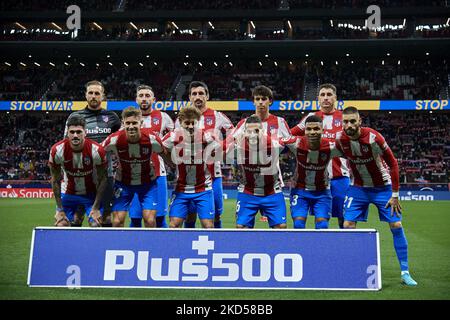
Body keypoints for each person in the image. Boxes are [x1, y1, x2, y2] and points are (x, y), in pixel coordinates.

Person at [336, 106, 418, 286]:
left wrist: (395, 194)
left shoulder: (374, 137)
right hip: (358, 188)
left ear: (359, 121)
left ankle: (405, 272)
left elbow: (393, 164)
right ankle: (352, 268)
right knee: (348, 224)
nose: (348, 125)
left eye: (352, 121)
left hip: (383, 188)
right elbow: (333, 156)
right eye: (345, 122)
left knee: (396, 224)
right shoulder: (340, 139)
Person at [291, 83, 350, 228]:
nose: (326, 98)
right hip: (312, 180)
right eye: (322, 95)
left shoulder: (344, 118)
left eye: (329, 95)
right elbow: (290, 135)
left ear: (335, 98)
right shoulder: (311, 118)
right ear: (318, 98)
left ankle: (342, 248)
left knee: (344, 219)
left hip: (339, 177)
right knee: (309, 220)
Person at [177, 81, 234, 228]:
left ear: (207, 96)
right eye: (194, 94)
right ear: (189, 97)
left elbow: (233, 132)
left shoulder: (217, 116)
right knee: (189, 215)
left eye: (201, 93)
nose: (198, 97)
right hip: (189, 178)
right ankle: (188, 247)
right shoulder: (181, 119)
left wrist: (223, 148)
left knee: (215, 215)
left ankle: (217, 245)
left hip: (213, 175)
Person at [64, 80, 121, 227]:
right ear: (86, 95)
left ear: (103, 96)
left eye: (97, 93)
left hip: (106, 176)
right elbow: (66, 144)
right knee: (76, 219)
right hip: (81, 177)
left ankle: (105, 249)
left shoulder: (113, 117)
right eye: (90, 93)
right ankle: (78, 249)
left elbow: (120, 143)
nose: (93, 96)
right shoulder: (75, 117)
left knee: (106, 219)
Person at [232, 85, 291, 223]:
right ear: (253, 102)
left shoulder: (280, 122)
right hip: (248, 180)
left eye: (263, 99)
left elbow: (289, 145)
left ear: (270, 101)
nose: (260, 102)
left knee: (279, 226)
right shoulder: (244, 123)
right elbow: (232, 145)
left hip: (272, 181)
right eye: (257, 99)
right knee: (243, 227)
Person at [101, 107, 164, 228]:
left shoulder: (152, 139)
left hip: (148, 184)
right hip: (123, 184)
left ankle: (149, 246)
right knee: (117, 221)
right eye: (127, 123)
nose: (131, 126)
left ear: (141, 123)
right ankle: (120, 246)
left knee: (150, 221)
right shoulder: (114, 140)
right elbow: (98, 153)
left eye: (134, 123)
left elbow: (165, 154)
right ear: (123, 123)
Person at [281, 115, 343, 229]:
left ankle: (318, 247)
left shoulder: (331, 147)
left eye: (316, 129)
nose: (312, 132)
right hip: (300, 190)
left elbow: (351, 153)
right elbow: (274, 142)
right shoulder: (296, 143)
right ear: (304, 130)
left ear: (322, 130)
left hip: (322, 191)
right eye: (309, 129)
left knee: (322, 225)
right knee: (298, 224)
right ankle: (300, 247)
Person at [163, 105, 218, 229]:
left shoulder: (207, 137)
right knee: (173, 225)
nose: (190, 126)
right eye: (187, 123)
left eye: (193, 123)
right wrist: (170, 162)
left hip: (203, 189)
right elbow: (161, 149)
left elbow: (220, 152)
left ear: (198, 122)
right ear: (180, 123)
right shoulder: (173, 137)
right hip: (181, 189)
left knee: (208, 226)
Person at [128, 85, 174, 228]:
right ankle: (132, 248)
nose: (144, 99)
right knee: (135, 219)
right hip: (134, 176)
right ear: (136, 99)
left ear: (153, 99)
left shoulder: (163, 117)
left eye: (147, 96)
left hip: (158, 174)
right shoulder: (129, 120)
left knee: (159, 219)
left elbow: (175, 137)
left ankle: (164, 249)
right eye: (141, 96)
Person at [49, 114, 107, 227]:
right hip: (68, 194)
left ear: (85, 132)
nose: (75, 135)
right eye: (72, 132)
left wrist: (95, 208)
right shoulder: (57, 150)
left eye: (79, 132)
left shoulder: (96, 150)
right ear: (67, 133)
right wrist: (59, 209)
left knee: (96, 224)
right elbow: (55, 180)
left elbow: (103, 179)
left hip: (90, 195)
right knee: (61, 225)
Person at [230, 115, 287, 229]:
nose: (252, 134)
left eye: (256, 130)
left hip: (272, 191)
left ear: (262, 131)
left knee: (281, 227)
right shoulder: (236, 149)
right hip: (248, 191)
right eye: (249, 131)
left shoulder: (276, 145)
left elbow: (294, 141)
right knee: (241, 227)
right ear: (244, 132)